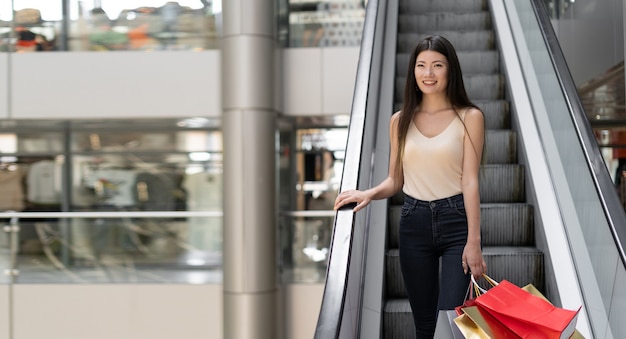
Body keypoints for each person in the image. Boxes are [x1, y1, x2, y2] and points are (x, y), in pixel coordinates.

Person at [333, 35, 487, 338]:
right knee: (424, 324)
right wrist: (368, 193)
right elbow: (396, 180)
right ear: (413, 72)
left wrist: (474, 241)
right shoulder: (399, 121)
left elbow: (470, 179)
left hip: (456, 221)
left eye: (437, 65)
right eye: (421, 66)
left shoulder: (470, 117)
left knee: (452, 318)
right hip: (413, 223)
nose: (428, 73)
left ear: (449, 70)